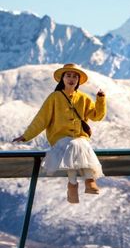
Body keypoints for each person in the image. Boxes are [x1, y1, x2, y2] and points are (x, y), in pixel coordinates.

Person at [12, 63, 107, 204]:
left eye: (75, 76)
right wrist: (26, 136)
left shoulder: (84, 98)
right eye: (68, 75)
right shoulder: (54, 97)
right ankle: (87, 181)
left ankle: (74, 185)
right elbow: (41, 119)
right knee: (73, 144)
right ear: (62, 78)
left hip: (79, 139)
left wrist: (100, 100)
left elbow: (97, 116)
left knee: (79, 143)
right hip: (60, 139)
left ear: (78, 80)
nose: (71, 79)